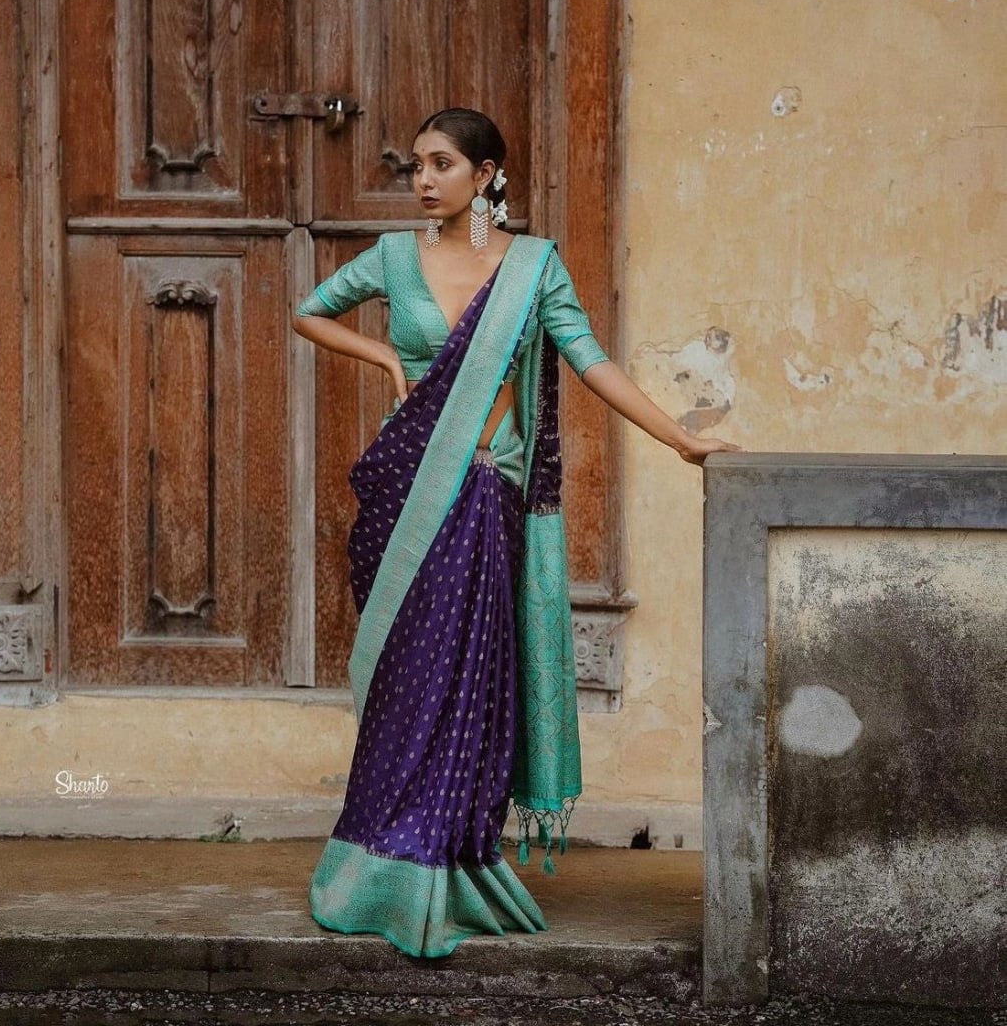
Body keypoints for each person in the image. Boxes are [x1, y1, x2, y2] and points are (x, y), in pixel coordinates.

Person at [293, 107, 740, 958]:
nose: (424, 181)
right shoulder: (394, 258)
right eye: (415, 166)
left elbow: (592, 360)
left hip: (485, 491)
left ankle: (449, 859)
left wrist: (682, 437)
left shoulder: (533, 269)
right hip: (409, 486)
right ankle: (374, 866)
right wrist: (389, 362)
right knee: (405, 676)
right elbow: (309, 310)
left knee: (466, 680)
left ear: (488, 174)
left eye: (442, 164)